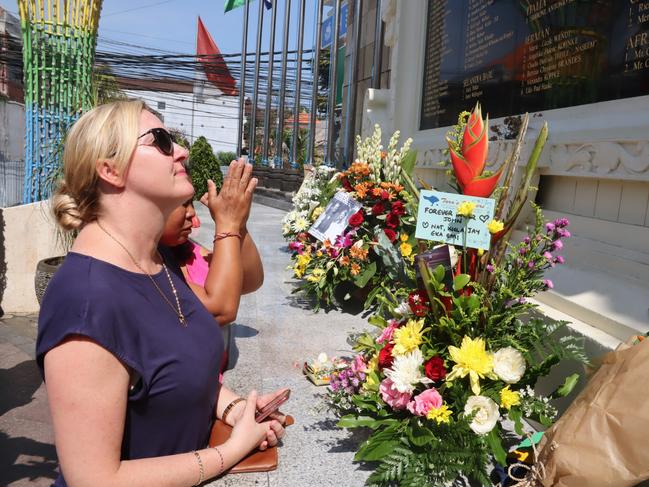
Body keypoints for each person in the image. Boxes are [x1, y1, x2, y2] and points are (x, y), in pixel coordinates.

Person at [37, 99, 286, 487]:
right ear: (110, 169)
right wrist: (233, 450)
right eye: (162, 141)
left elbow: (175, 371)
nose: (182, 151)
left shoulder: (157, 260)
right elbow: (95, 479)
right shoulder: (87, 302)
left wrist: (235, 409)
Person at [159, 177, 264, 326]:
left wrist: (239, 224)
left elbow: (250, 282)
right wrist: (228, 225)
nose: (192, 213)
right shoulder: (144, 263)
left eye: (191, 203)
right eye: (183, 203)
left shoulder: (190, 252)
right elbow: (220, 311)